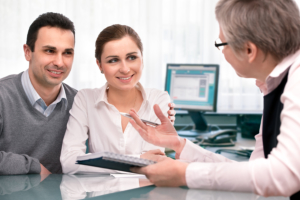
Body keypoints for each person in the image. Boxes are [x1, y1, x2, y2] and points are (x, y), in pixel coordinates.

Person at [129, 0, 300, 198]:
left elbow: (284, 174)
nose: (222, 52)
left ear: (249, 50)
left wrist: (184, 174)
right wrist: (179, 145)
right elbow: (256, 170)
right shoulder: (275, 84)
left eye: (221, 44)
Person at [60, 24, 172, 174]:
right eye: (113, 60)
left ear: (142, 59)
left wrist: (101, 163)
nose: (125, 69)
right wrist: (139, 159)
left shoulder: (158, 99)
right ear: (99, 65)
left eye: (132, 57)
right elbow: (69, 162)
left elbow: (153, 164)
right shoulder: (86, 99)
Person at [0, 12, 77, 175]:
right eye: (50, 51)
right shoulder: (2, 95)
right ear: (28, 52)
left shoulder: (79, 103)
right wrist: (33, 167)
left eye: (67, 53)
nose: (59, 62)